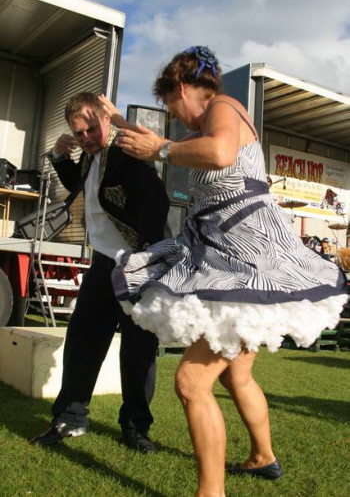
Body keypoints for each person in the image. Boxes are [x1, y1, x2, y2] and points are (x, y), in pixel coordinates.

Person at [110, 47, 348, 496]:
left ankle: (211, 493)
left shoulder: (224, 106)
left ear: (181, 89)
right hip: (236, 257)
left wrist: (162, 148)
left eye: (171, 108)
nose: (176, 121)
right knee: (237, 375)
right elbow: (193, 148)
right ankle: (263, 458)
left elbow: (219, 153)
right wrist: (121, 125)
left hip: (246, 264)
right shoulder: (218, 116)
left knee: (190, 381)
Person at [31, 92, 169, 453]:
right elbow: (81, 183)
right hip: (103, 263)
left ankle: (135, 426)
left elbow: (156, 200)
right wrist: (62, 153)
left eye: (92, 128)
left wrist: (146, 261)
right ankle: (70, 418)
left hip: (138, 264)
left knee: (139, 350)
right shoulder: (91, 158)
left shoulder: (126, 151)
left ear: (106, 120)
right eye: (79, 133)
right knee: (83, 342)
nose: (87, 137)